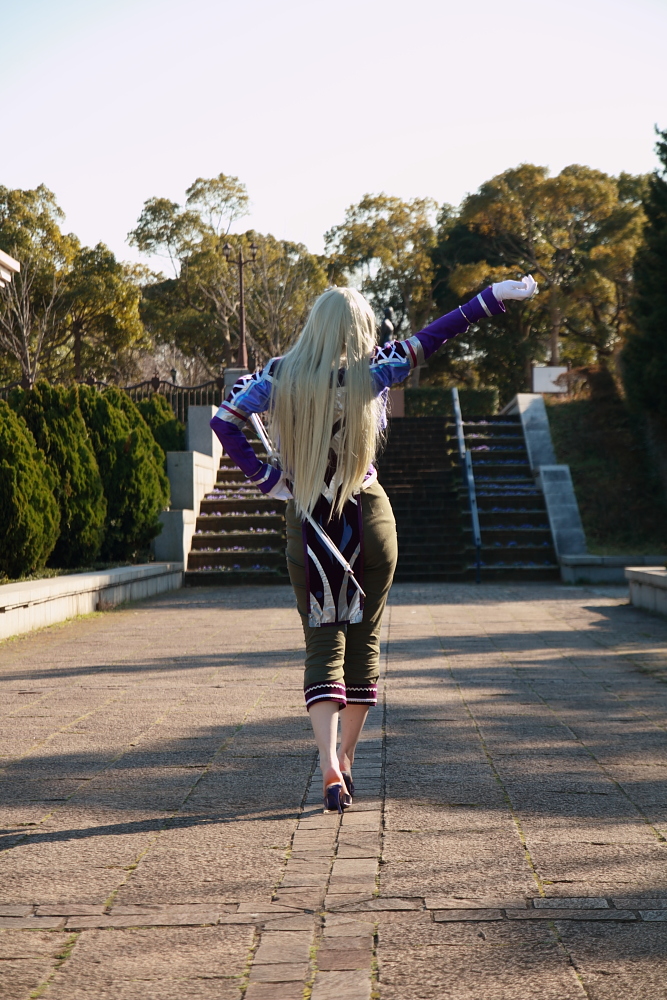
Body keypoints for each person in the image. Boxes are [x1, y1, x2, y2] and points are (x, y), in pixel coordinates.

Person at [211, 276, 537, 812]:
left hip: (307, 518)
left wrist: (268, 480)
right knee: (364, 640)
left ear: (314, 326)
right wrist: (492, 297)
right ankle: (348, 756)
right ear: (360, 328)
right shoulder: (375, 368)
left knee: (322, 641)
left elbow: (224, 419)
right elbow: (437, 334)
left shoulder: (277, 375)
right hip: (368, 514)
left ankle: (327, 763)